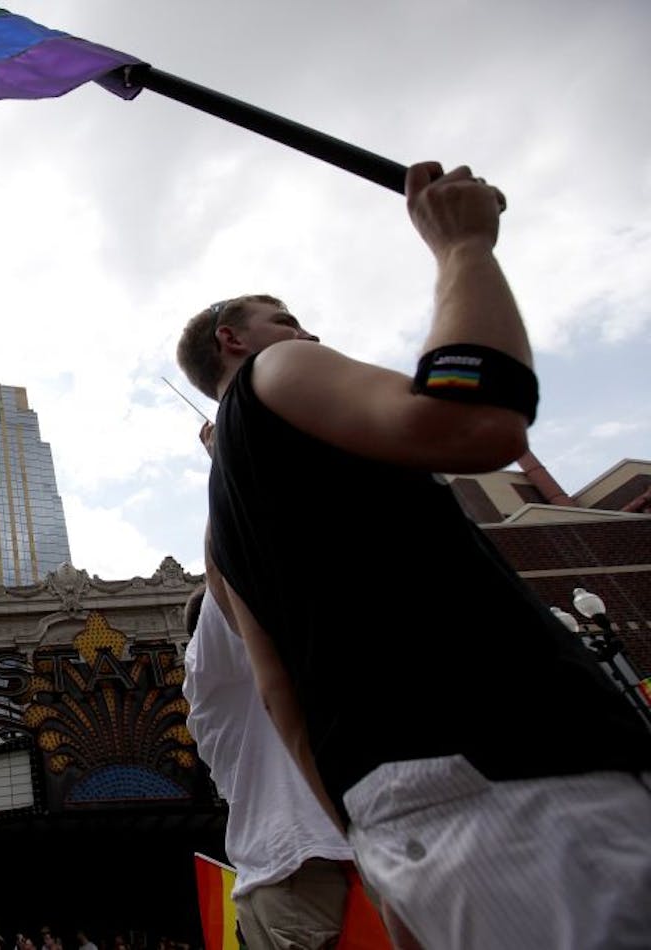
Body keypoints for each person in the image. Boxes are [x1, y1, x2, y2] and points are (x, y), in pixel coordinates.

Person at [176, 162, 651, 948]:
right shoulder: (274, 371)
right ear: (235, 340)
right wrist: (464, 247)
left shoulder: (219, 536)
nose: (310, 337)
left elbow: (281, 701)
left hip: (414, 833)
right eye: (286, 319)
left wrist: (370, 847)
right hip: (535, 786)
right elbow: (474, 420)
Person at [184, 586, 355, 949]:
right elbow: (227, 574)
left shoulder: (260, 683)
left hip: (301, 871)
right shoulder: (211, 664)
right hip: (298, 874)